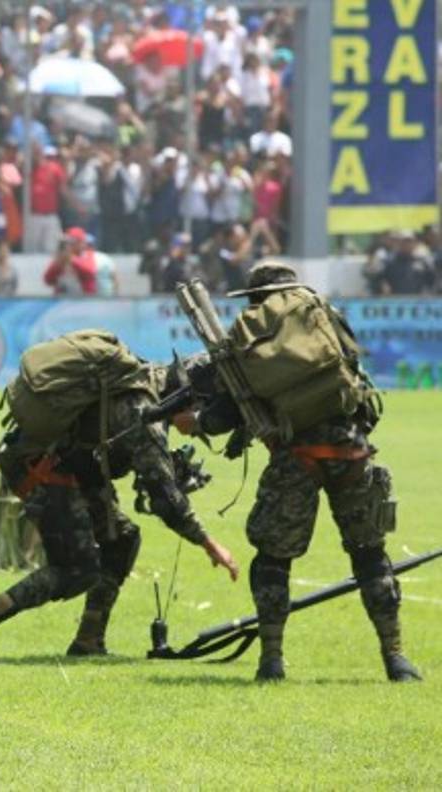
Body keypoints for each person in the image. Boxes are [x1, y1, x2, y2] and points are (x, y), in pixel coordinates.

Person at [177, 261, 422, 683]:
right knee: (369, 554)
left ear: (255, 296)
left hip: (295, 455)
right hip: (350, 450)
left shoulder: (248, 329)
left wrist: (196, 424)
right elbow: (354, 373)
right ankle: (396, 658)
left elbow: (231, 407)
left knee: (274, 558)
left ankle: (271, 660)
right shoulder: (323, 312)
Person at [0, 333, 239, 660]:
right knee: (77, 568)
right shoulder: (145, 413)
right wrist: (208, 543)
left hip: (70, 470)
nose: (200, 424)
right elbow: (164, 498)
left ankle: (89, 639)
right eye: (202, 412)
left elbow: (124, 450)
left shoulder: (143, 382)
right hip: (45, 471)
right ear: (190, 400)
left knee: (122, 539)